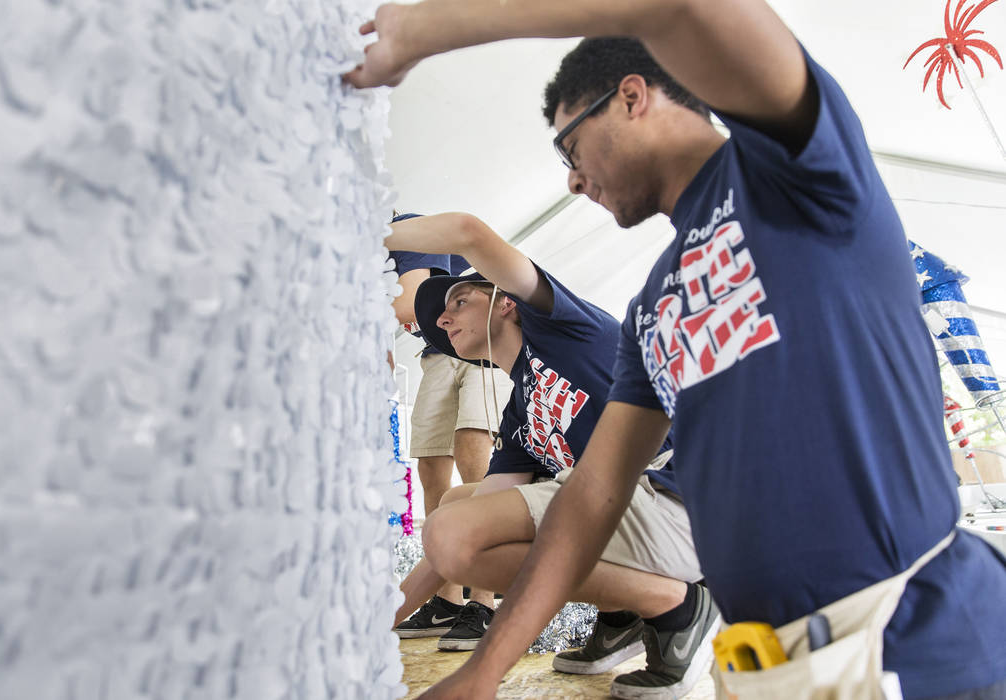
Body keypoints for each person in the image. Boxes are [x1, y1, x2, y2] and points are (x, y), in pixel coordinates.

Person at [347, 4, 1006, 700]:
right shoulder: (653, 309)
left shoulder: (795, 176)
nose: (572, 179)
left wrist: (416, 33)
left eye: (569, 148)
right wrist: (483, 672)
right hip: (767, 667)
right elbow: (593, 494)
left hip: (916, 642)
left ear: (632, 97)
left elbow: (683, 8)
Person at [386, 213, 715, 696]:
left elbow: (468, 233)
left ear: (503, 303)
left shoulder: (560, 325)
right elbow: (454, 539)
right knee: (456, 512)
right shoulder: (520, 414)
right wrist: (377, 621)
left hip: (684, 497)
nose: (443, 317)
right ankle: (621, 612)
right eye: (440, 317)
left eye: (460, 299)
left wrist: (365, 226)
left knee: (458, 529)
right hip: (628, 510)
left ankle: (676, 606)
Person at [390, 215, 514, 647]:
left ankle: (484, 602)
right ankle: (448, 600)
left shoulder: (402, 228)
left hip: (480, 347)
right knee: (430, 463)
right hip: (436, 353)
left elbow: (407, 303)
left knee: (474, 454)